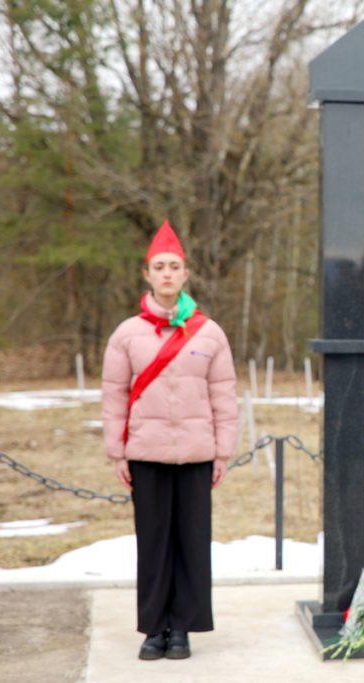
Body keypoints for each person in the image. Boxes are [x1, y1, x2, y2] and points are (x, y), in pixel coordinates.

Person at [101, 220, 238, 660]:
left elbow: (224, 396)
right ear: (147, 274)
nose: (166, 273)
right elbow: (113, 396)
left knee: (193, 543)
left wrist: (223, 451)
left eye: (173, 266)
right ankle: (153, 627)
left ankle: (183, 627)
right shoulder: (126, 334)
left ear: (185, 274)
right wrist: (116, 452)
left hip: (197, 453)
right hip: (146, 452)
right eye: (158, 266)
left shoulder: (210, 333)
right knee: (153, 542)